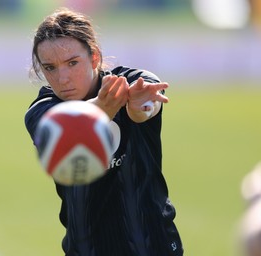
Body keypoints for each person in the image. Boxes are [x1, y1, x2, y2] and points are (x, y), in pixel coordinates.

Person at [24, 8, 183, 256]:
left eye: (72, 63)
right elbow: (62, 128)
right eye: (50, 68)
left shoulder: (133, 82)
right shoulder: (42, 110)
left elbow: (143, 110)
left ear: (95, 58)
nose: (62, 78)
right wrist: (102, 108)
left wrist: (139, 105)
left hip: (155, 247)